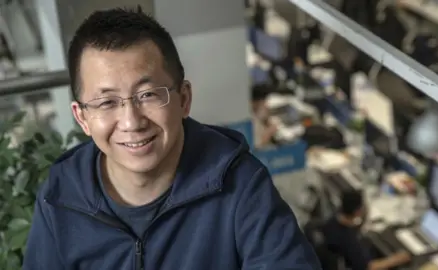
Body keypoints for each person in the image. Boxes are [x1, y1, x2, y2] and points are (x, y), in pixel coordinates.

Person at [23, 7, 322, 270]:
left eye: (148, 95)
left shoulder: (240, 184)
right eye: (106, 102)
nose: (131, 122)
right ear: (82, 118)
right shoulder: (60, 197)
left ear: (184, 99)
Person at [322, 190, 411, 270]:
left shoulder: (332, 220)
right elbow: (370, 267)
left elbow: (349, 225)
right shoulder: (350, 241)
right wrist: (397, 259)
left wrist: (362, 218)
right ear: (357, 211)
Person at [251, 84, 278, 148]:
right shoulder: (250, 121)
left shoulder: (259, 116)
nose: (266, 105)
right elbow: (256, 146)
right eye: (263, 101)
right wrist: (270, 131)